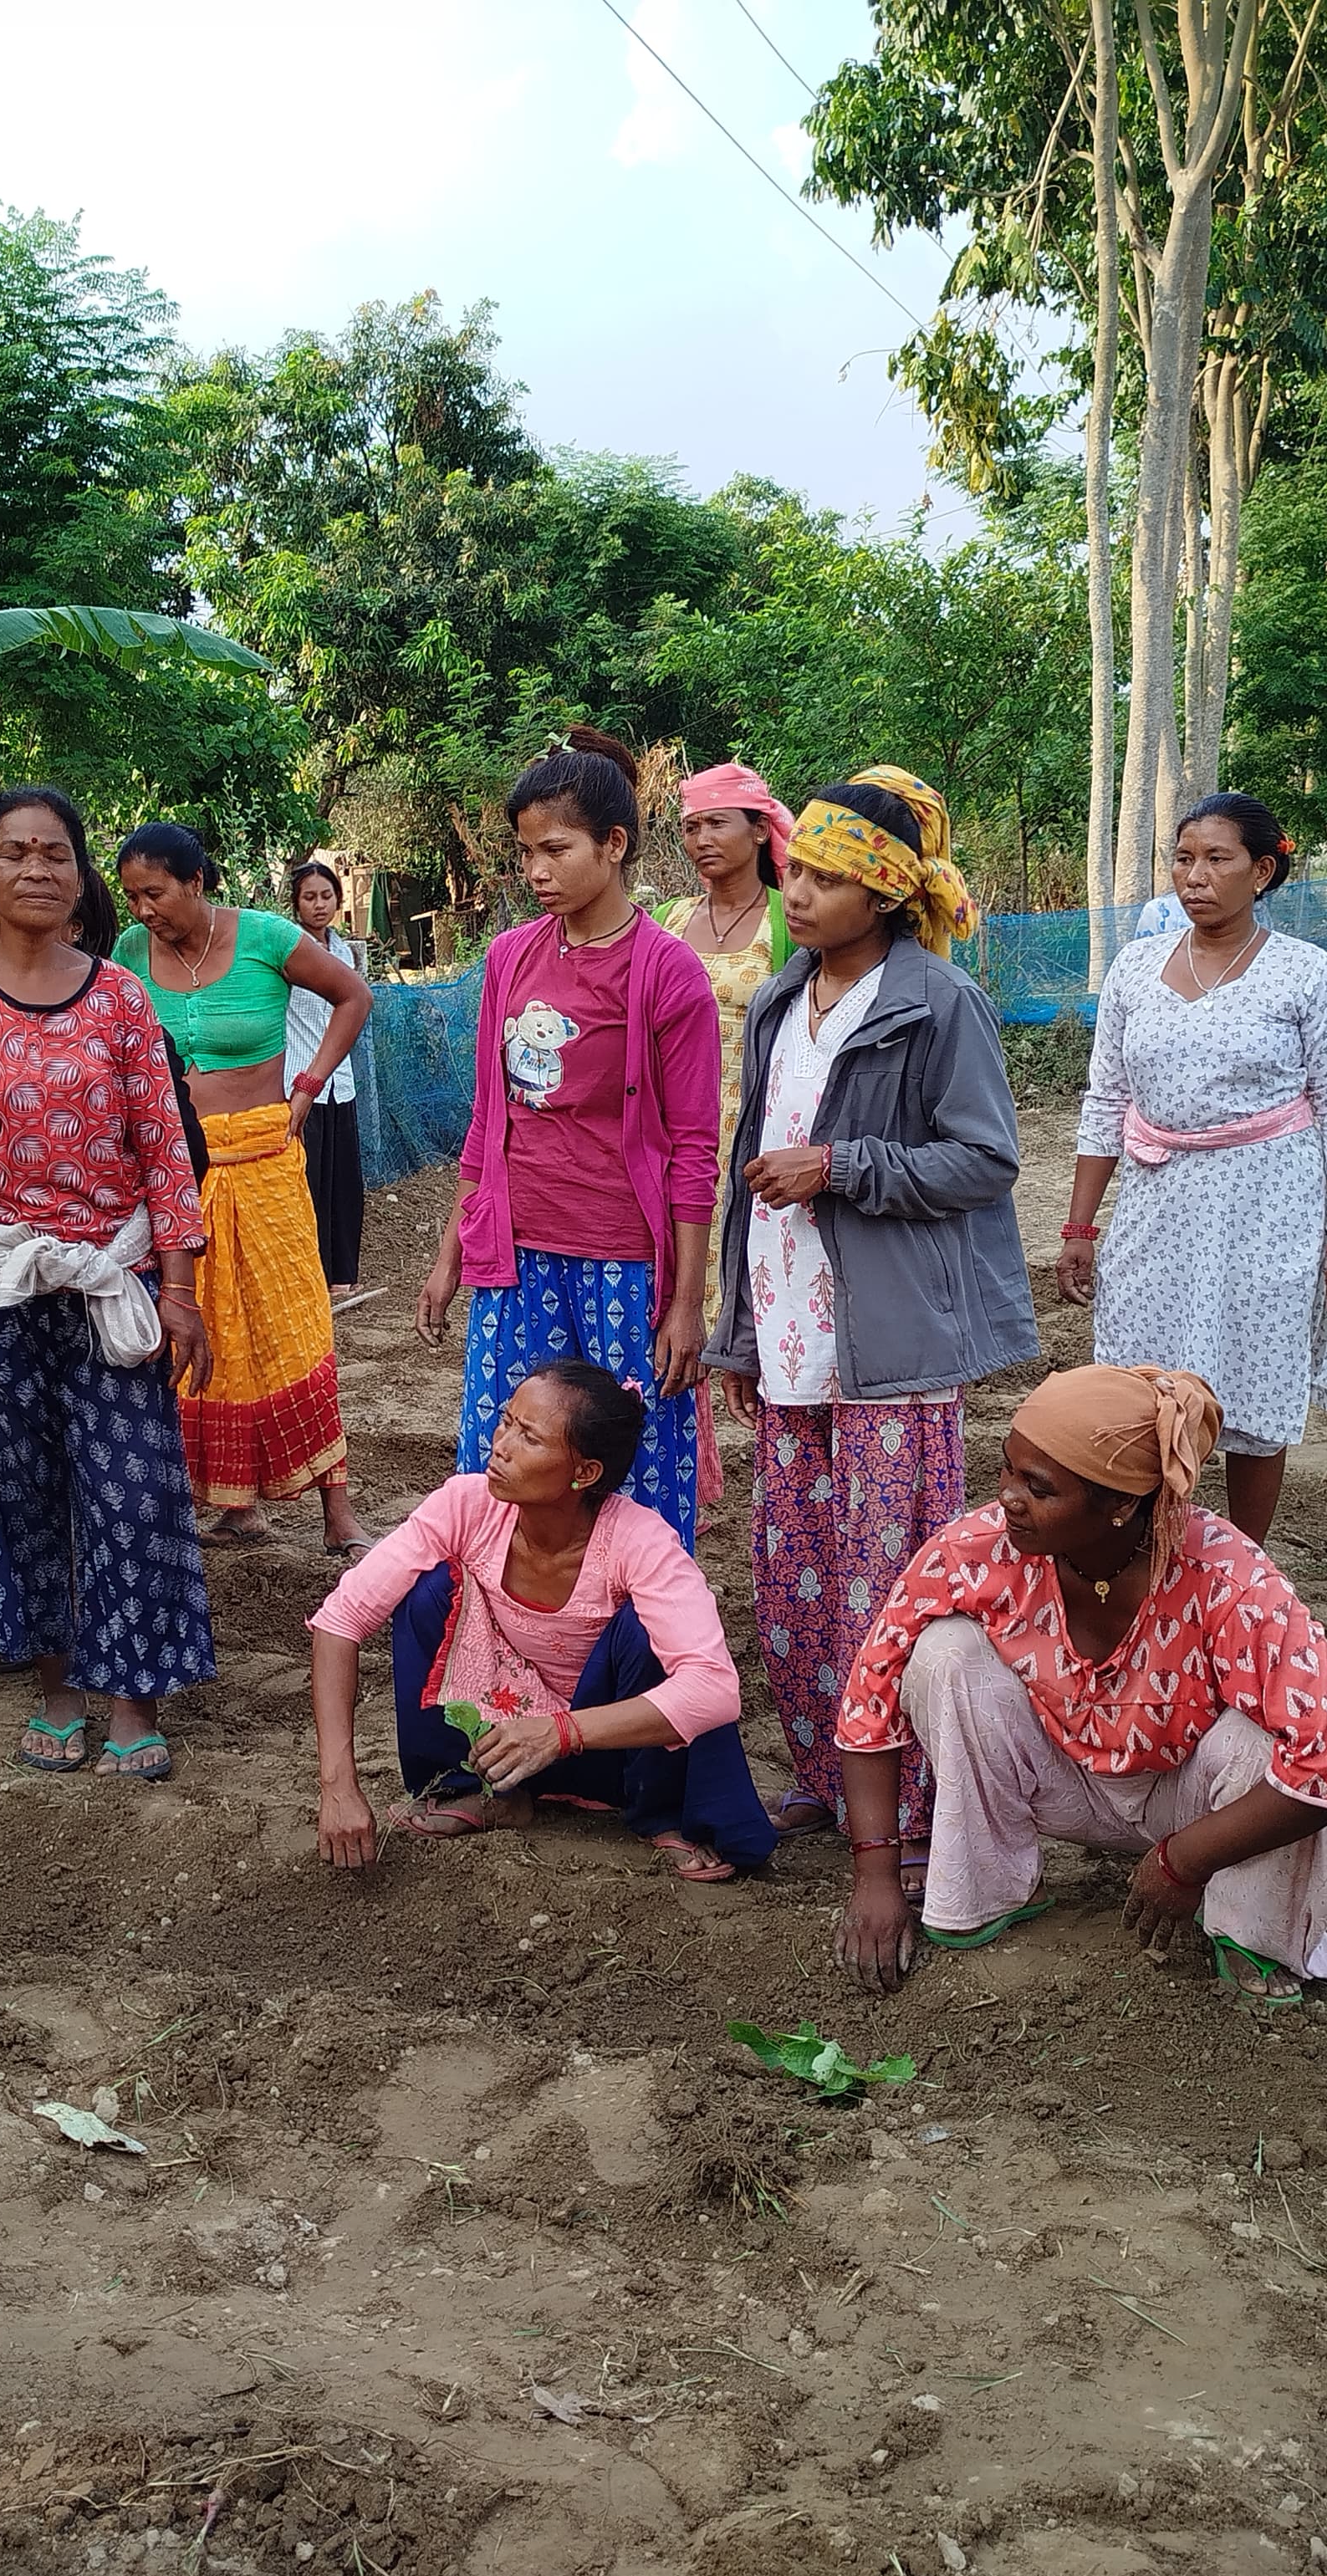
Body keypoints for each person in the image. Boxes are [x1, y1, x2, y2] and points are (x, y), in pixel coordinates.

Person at [707, 768, 1030, 1877]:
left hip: (888, 1344)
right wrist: (741, 1335)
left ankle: (919, 1794)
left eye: (831, 879)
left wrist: (844, 1167)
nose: (800, 893)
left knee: (888, 1579)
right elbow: (747, 1182)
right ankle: (821, 1771)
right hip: (791, 1328)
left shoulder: (937, 1001)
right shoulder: (774, 1002)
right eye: (798, 870)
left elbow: (986, 1159)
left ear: (887, 896)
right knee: (793, 1569)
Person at [825, 1364, 1327, 1998]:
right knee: (944, 1654)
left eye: (1039, 1486)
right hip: (1060, 1778)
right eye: (1008, 1469)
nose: (1007, 1496)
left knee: (1269, 1745)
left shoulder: (1228, 1581)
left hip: (1192, 1798)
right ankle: (986, 1891)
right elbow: (871, 1693)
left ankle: (1251, 1934)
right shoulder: (980, 1549)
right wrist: (875, 1875)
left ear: (1120, 1505)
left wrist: (1185, 1860)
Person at [0, 785, 217, 1778]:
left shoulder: (119, 997)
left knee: (133, 1493)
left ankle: (132, 1698)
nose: (36, 869)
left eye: (55, 855)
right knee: (16, 1495)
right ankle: (56, 1688)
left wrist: (178, 1290)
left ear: (80, 877)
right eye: (14, 853)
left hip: (111, 1282)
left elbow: (164, 1152)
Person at [419, 727, 724, 1547]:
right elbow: (489, 1119)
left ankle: (639, 1645)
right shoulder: (511, 958)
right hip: (517, 1257)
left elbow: (695, 1148)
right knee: (510, 1458)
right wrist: (452, 1253)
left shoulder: (667, 972)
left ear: (613, 843)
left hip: (625, 1262)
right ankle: (510, 1636)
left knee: (633, 1462)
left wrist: (687, 1305)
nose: (535, 872)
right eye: (525, 854)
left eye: (553, 850)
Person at [308, 1359, 777, 1883]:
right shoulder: (465, 1504)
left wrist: (561, 1732)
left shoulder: (641, 1541)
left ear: (585, 1473)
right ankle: (470, 1789)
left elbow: (715, 1689)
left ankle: (660, 1813)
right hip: (501, 1746)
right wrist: (339, 1787)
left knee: (649, 1635)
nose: (500, 1445)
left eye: (528, 1437)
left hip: (615, 1751)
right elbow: (340, 1619)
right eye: (506, 1421)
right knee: (427, 1591)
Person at [1060, 793, 1327, 1545]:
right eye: (1183, 858)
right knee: (1143, 1380)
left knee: (1252, 1381)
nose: (1195, 876)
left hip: (1269, 1204)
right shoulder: (1136, 969)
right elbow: (1106, 1098)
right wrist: (1079, 1225)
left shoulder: (1306, 974)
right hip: (1157, 1202)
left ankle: (1242, 1568)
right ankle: (1152, 1548)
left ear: (1263, 871)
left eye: (1217, 859)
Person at [115, 824, 377, 1554]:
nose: (143, 910)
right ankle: (235, 1507)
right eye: (132, 896)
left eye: (155, 893)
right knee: (204, 1331)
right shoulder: (131, 955)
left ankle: (338, 1511)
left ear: (196, 882)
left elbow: (352, 996)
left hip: (265, 1162)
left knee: (294, 1327)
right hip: (176, 1172)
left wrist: (309, 1083)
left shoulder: (268, 936)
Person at [664, 762, 796, 1308]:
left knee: (752, 1280)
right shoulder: (667, 920)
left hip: (754, 1133)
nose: (702, 840)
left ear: (760, 829)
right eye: (692, 828)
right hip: (674, 1135)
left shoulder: (788, 922)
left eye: (718, 823)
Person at [283, 858, 370, 1298]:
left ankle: (342, 1272)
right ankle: (309, 1271)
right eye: (309, 897)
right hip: (299, 1084)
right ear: (296, 904)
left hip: (343, 1082)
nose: (319, 905)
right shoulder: (287, 951)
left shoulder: (347, 952)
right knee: (308, 1181)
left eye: (326, 896)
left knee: (344, 1181)